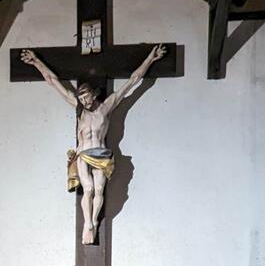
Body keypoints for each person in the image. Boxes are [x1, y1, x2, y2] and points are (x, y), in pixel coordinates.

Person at [20, 43, 166, 244]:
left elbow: (132, 82)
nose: (86, 103)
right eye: (82, 99)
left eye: (88, 99)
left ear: (94, 95)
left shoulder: (105, 109)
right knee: (87, 189)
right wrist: (36, 61)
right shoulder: (79, 108)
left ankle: (94, 222)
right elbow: (53, 82)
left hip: (102, 154)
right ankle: (87, 223)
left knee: (98, 189)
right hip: (83, 153)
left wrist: (151, 58)